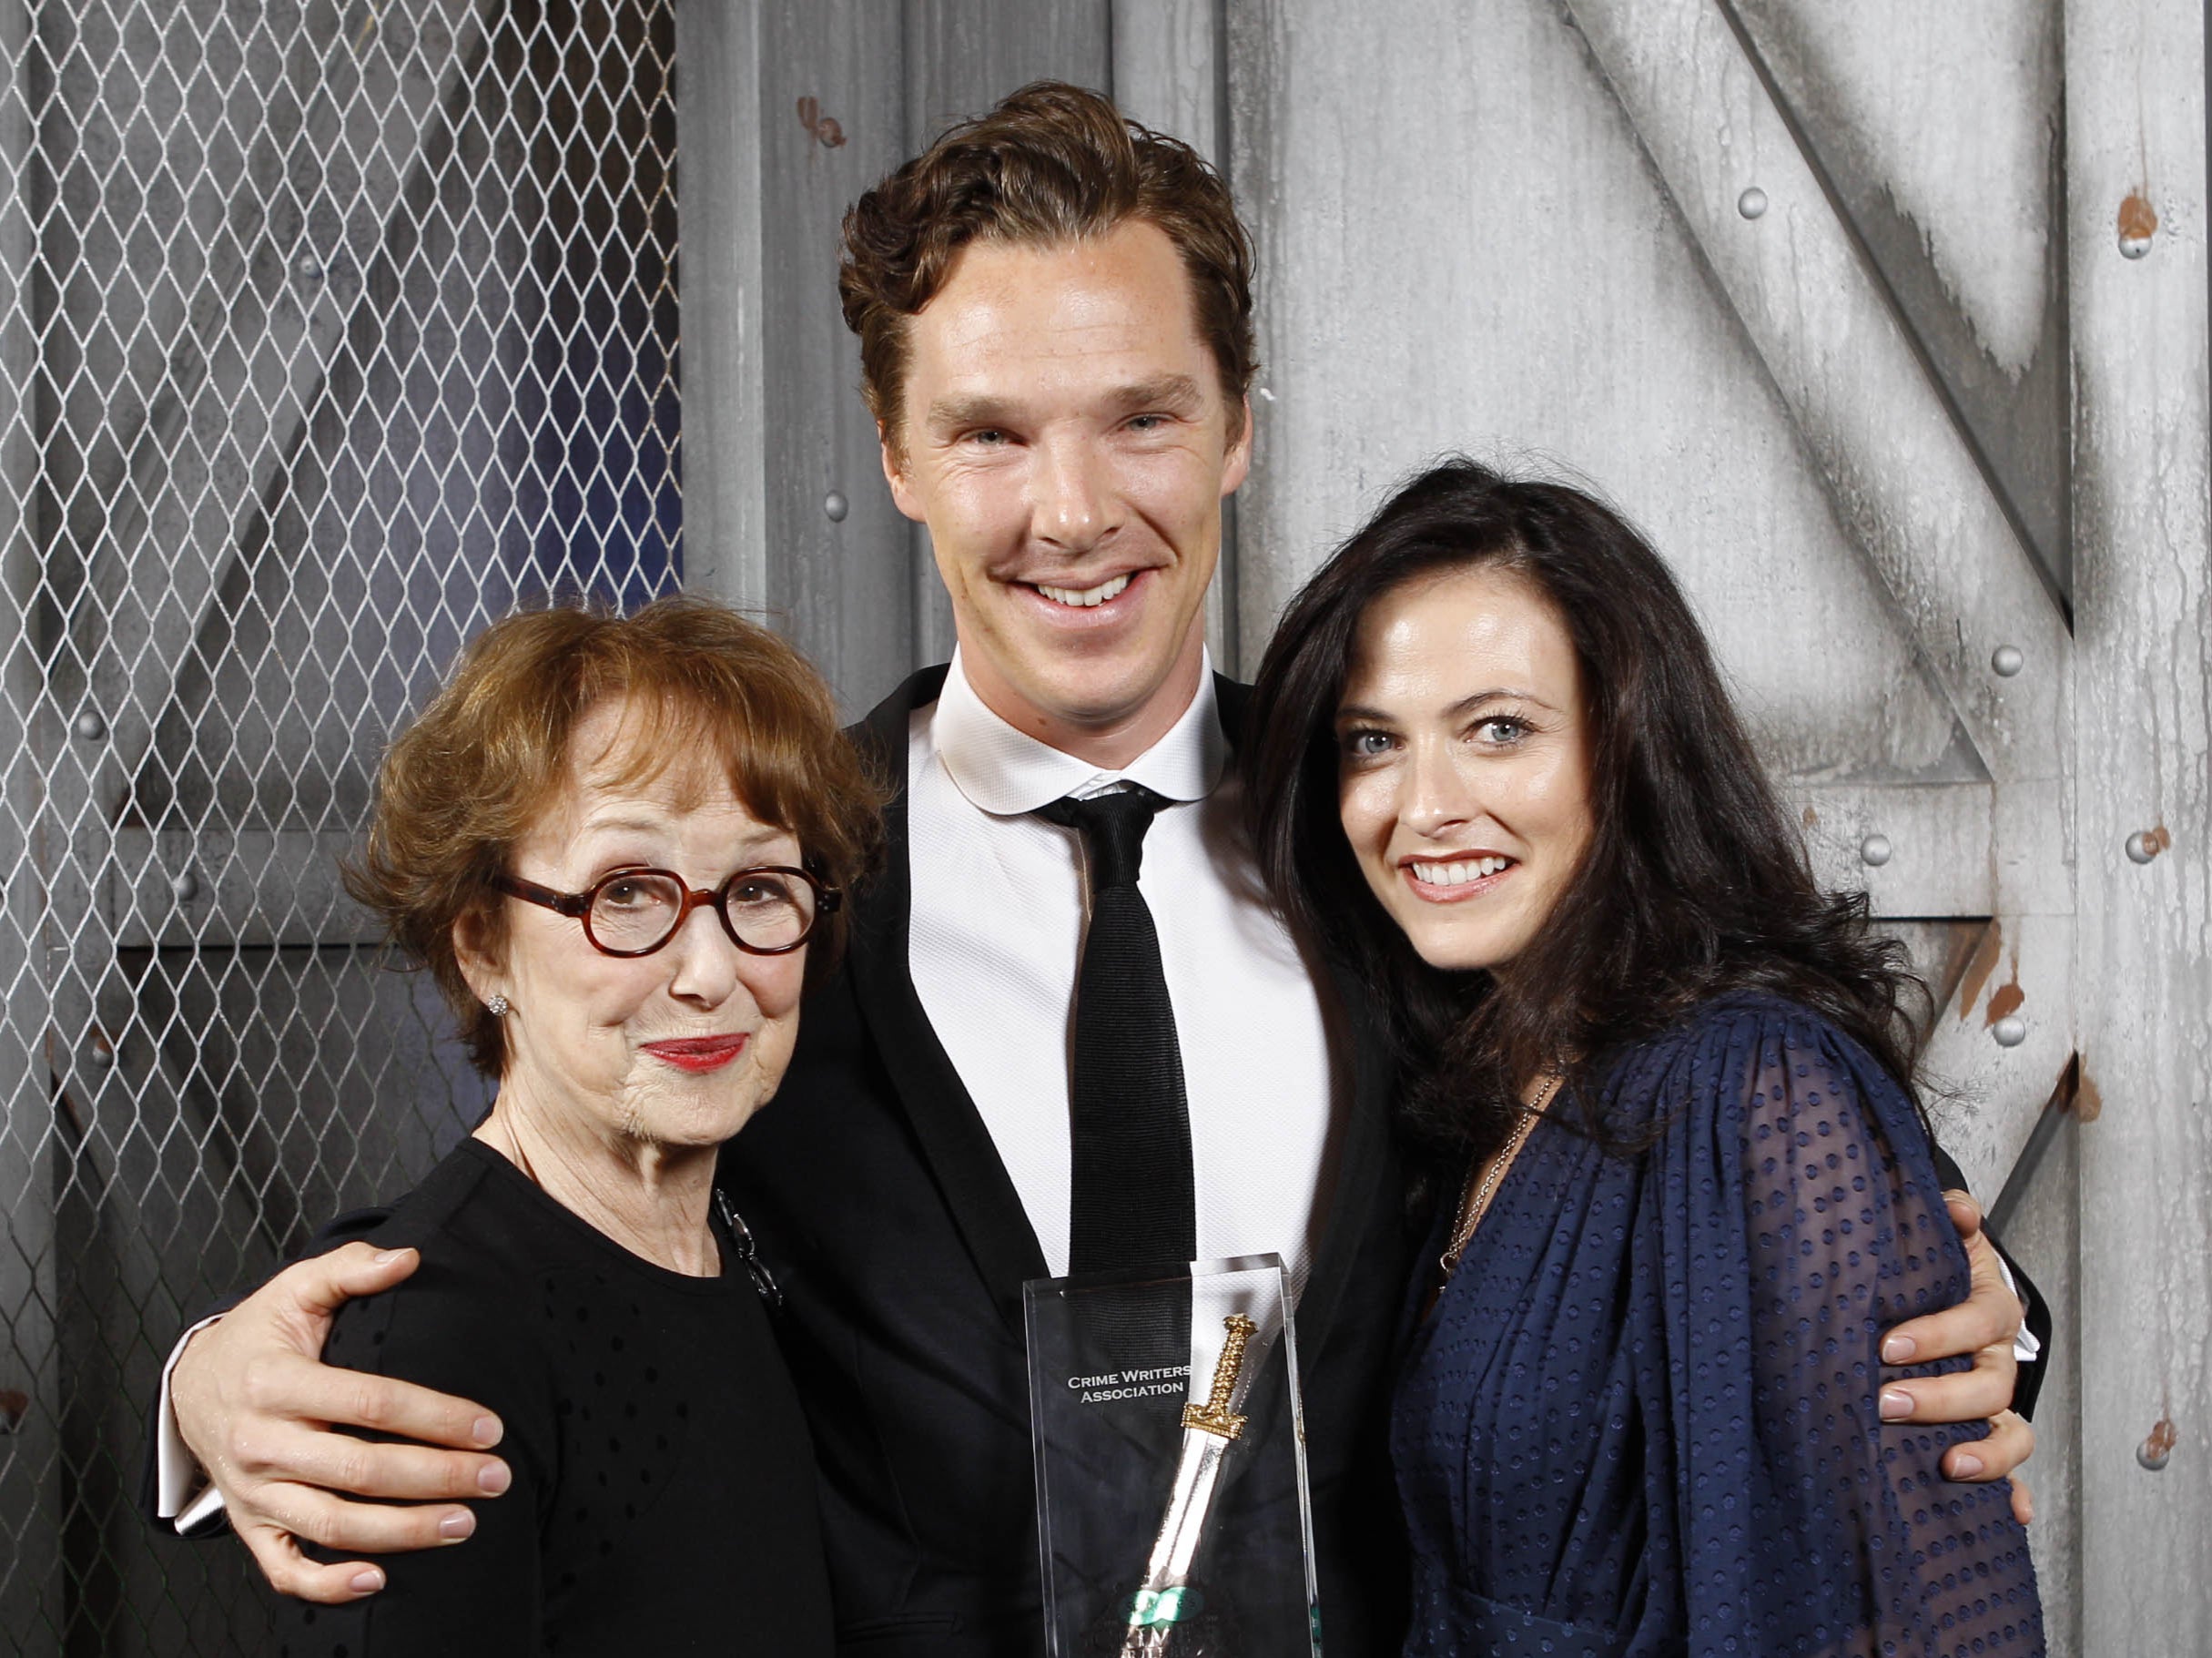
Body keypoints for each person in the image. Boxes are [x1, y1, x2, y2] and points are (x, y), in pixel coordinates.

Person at [149, 86, 2040, 1658]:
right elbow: (547, 1201)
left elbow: (1727, 1129)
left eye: (1141, 415)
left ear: (1236, 432)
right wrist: (203, 1393)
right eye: (989, 432)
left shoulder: (1396, 840)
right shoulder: (775, 884)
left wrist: (1994, 1311)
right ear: (896, 452)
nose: (1073, 511)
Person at [1244, 459, 2045, 1655]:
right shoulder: (1485, 1076)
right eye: (1373, 742)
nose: (1424, 804)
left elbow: (1888, 1613)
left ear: (1625, 749)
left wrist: (1981, 1311)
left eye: (1497, 730)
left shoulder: (1749, 1083)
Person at [246, 597, 880, 1653]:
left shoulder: (744, 1253)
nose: (711, 973)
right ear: (485, 947)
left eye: (761, 888)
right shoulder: (432, 1346)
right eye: (626, 892)